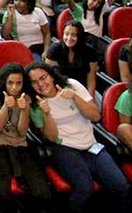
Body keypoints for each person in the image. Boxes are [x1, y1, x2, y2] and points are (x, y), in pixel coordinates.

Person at [27, 61, 131, 213]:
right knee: (84, 188)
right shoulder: (36, 104)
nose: (41, 84)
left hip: (90, 145)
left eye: (43, 78)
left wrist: (75, 97)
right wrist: (47, 113)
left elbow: (95, 116)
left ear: (52, 76)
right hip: (63, 148)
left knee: (122, 186)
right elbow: (51, 137)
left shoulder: (72, 85)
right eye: (34, 82)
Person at [0, 64, 51, 212]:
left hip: (19, 147)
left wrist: (24, 109)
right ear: (4, 82)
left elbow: (22, 131)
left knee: (42, 192)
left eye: (18, 83)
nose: (14, 87)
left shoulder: (25, 98)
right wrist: (6, 107)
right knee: (4, 193)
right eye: (10, 83)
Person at [44, 20, 98, 98]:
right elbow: (47, 75)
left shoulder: (90, 52)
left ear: (80, 36)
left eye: (73, 35)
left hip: (82, 89)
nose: (69, 38)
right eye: (66, 34)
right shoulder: (55, 49)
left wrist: (90, 99)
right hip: (60, 90)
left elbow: (91, 80)